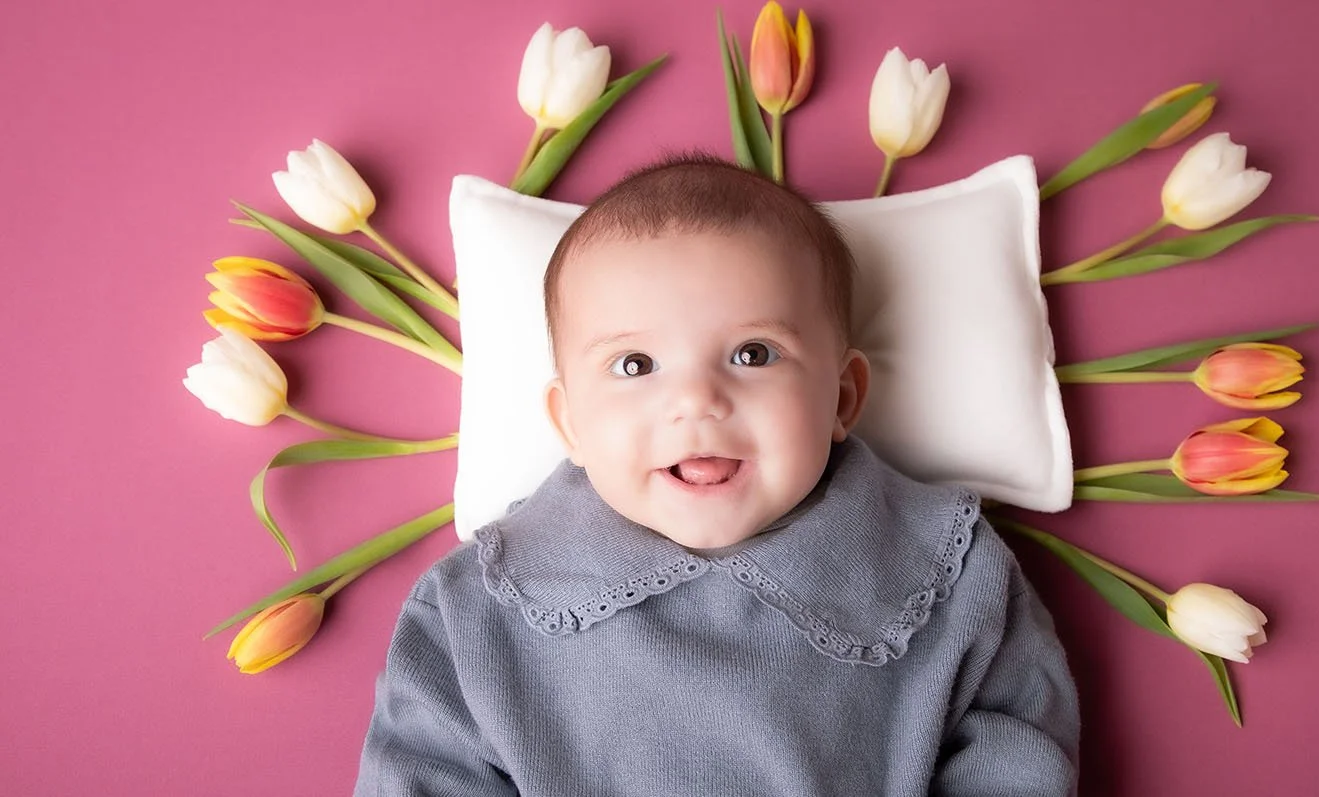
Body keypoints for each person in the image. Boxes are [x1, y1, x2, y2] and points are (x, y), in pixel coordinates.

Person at [354, 154, 1079, 796]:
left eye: (753, 354)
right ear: (570, 421)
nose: (696, 400)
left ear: (843, 396)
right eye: (634, 365)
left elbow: (1017, 756)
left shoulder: (948, 572)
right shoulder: (473, 611)